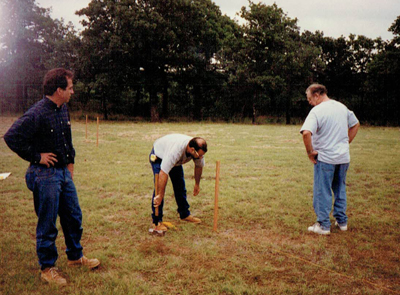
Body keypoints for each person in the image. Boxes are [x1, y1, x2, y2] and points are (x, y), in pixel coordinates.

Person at [4, 68, 100, 285]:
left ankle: (75, 257)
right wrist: (37, 157)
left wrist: (70, 170)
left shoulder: (63, 108)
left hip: (63, 172)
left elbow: (68, 141)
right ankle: (47, 268)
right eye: (70, 88)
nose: (72, 92)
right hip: (44, 175)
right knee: (48, 223)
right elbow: (11, 137)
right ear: (59, 90)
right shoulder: (36, 113)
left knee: (73, 216)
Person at [300, 83, 360, 235]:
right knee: (340, 189)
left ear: (317, 95)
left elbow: (306, 133)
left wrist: (310, 153)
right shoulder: (342, 107)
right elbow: (355, 124)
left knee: (322, 190)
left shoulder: (317, 111)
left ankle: (323, 225)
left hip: (325, 158)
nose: (309, 102)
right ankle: (342, 221)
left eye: (309, 98)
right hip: (343, 158)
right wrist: (346, 143)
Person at [149, 134, 207, 232]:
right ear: (192, 150)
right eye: (199, 155)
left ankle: (184, 214)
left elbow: (198, 166)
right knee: (159, 190)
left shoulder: (197, 152)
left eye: (202, 155)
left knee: (180, 186)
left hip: (176, 161)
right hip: (159, 156)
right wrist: (160, 195)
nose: (201, 157)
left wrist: (197, 184)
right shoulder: (175, 152)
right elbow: (163, 173)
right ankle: (156, 221)